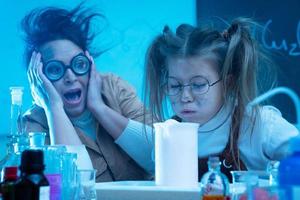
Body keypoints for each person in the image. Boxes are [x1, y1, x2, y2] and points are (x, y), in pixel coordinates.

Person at [117, 18, 299, 181]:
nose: (185, 97)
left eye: (198, 85)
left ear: (227, 83)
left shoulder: (259, 125)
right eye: (175, 86)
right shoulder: (169, 134)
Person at [21, 4, 153, 182]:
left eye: (79, 64)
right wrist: (54, 109)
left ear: (89, 63)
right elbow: (77, 188)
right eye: (55, 69)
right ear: (38, 77)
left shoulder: (113, 87)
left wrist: (99, 108)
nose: (70, 77)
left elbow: (158, 157)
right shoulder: (34, 125)